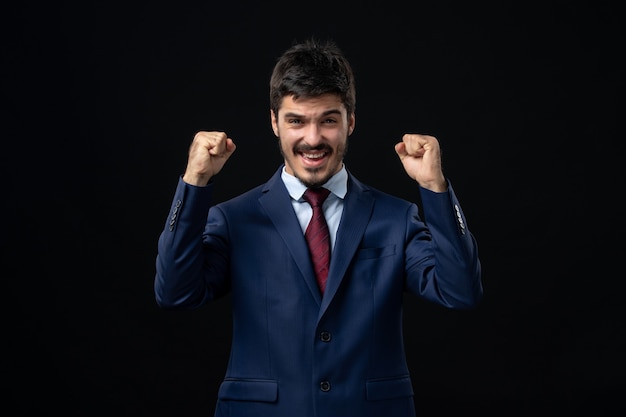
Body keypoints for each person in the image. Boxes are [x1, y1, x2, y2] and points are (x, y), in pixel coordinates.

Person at [154, 37, 483, 417]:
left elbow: (460, 291)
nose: (313, 139)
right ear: (275, 123)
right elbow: (175, 292)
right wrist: (194, 184)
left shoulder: (396, 217)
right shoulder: (234, 219)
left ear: (351, 122)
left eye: (328, 120)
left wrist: (434, 187)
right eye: (297, 120)